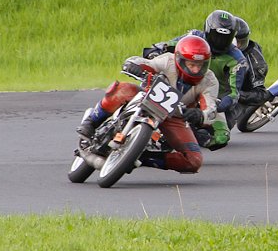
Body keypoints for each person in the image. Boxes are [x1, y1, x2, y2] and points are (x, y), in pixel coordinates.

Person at [76, 34, 218, 173]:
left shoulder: (210, 81)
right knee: (124, 88)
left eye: (200, 65)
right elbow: (144, 63)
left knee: (193, 161)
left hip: (174, 115)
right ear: (179, 59)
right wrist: (134, 65)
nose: (196, 70)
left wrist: (200, 115)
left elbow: (211, 110)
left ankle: (142, 157)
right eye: (192, 64)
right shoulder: (167, 61)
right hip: (147, 97)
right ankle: (91, 122)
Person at [143, 9, 247, 149]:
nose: (220, 42)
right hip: (179, 83)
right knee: (148, 79)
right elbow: (170, 44)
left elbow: (234, 94)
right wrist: (155, 50)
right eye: (216, 36)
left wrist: (213, 108)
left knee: (221, 138)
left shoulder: (238, 60)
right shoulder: (194, 37)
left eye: (225, 38)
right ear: (207, 30)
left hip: (212, 96)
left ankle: (189, 134)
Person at [231, 16, 271, 127]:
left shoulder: (256, 61)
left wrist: (237, 95)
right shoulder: (213, 46)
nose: (237, 46)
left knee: (221, 132)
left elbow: (261, 94)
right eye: (235, 42)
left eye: (241, 42)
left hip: (236, 95)